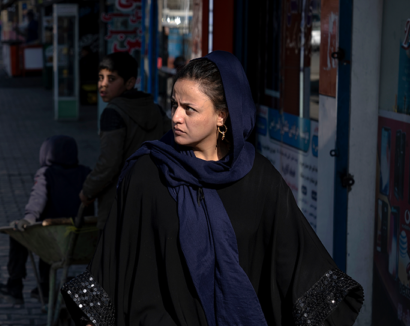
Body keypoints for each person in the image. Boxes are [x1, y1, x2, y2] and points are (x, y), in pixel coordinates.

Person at [64, 52, 364, 325]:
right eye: (174, 105)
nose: (176, 117)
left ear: (223, 115)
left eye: (189, 109)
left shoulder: (259, 178)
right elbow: (116, 257)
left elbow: (295, 259)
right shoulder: (148, 172)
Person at [0, 135, 93, 304]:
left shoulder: (46, 173)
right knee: (48, 236)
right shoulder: (86, 172)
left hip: (54, 236)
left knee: (21, 233)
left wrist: (28, 218)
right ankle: (45, 287)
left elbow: (37, 199)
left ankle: (15, 285)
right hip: (82, 237)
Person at [79, 52, 170, 230]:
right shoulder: (156, 110)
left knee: (115, 255)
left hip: (119, 201)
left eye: (111, 79)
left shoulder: (113, 113)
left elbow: (109, 163)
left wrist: (88, 190)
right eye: (100, 78)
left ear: (129, 82)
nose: (103, 84)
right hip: (154, 197)